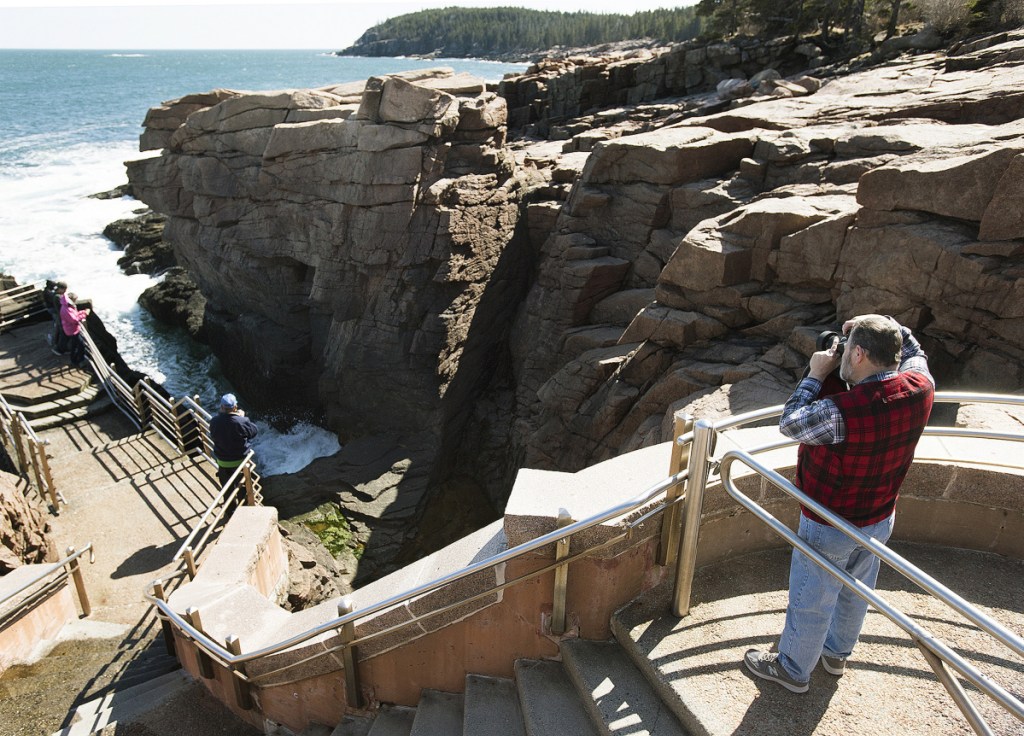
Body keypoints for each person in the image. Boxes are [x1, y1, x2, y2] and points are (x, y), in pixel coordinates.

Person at [743, 314, 934, 693]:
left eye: (849, 351)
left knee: (811, 596)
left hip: (829, 520)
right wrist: (887, 325)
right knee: (856, 590)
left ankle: (793, 669)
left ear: (859, 353)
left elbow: (791, 423)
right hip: (880, 515)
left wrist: (815, 374)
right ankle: (836, 654)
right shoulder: (921, 386)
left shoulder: (842, 411)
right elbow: (915, 350)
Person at [208, 393, 259, 489]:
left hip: (222, 462)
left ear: (222, 407)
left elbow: (213, 435)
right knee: (242, 489)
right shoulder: (241, 421)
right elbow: (253, 432)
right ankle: (244, 502)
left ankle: (230, 503)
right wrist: (242, 417)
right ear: (235, 407)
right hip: (239, 463)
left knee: (227, 490)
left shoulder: (214, 421)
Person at [59, 290, 90, 367]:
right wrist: (85, 314)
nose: (76, 302)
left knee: (74, 345)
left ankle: (74, 360)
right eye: (75, 300)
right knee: (81, 345)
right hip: (72, 330)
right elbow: (74, 319)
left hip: (70, 329)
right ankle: (79, 361)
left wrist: (82, 312)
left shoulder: (66, 306)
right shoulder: (67, 309)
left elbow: (75, 315)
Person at [44, 280, 69, 354]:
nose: (65, 291)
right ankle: (59, 349)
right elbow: (62, 308)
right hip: (60, 317)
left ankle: (56, 344)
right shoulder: (57, 297)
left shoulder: (54, 294)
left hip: (59, 317)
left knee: (59, 330)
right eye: (64, 289)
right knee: (63, 333)